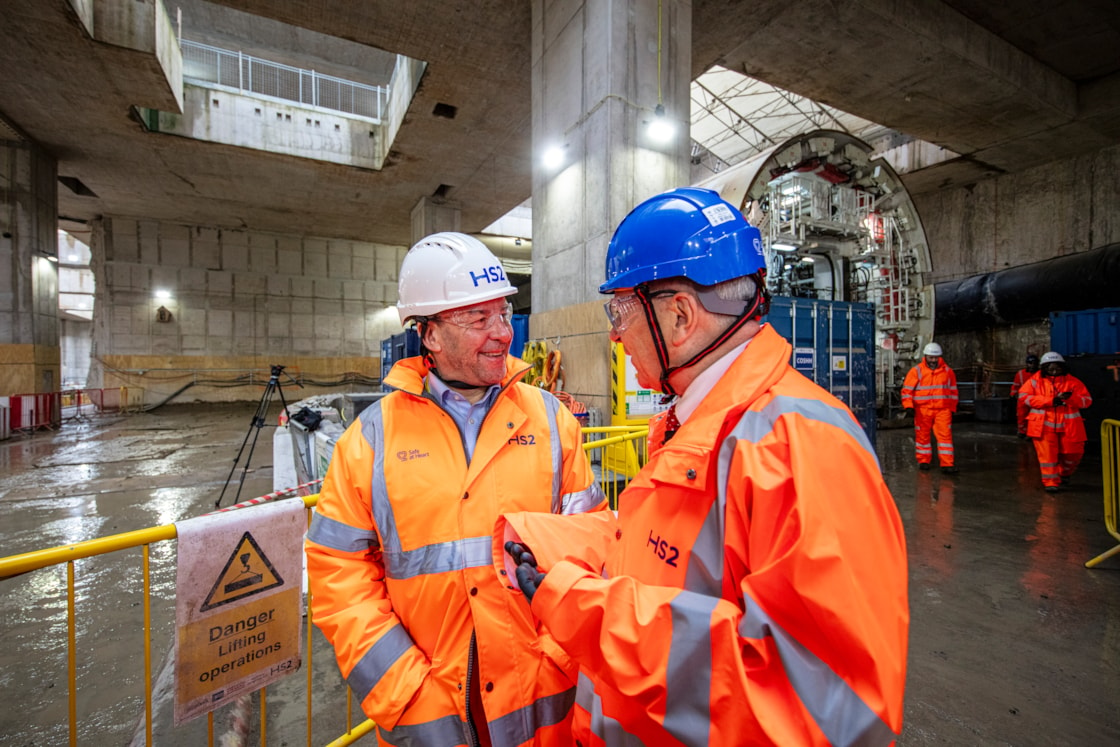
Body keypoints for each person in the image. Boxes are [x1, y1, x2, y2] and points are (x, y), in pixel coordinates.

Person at [500, 188, 909, 745]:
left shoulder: (798, 448)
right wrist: (552, 541)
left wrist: (583, 608)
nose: (615, 334)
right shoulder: (698, 425)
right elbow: (678, 564)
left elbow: (822, 710)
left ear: (681, 315)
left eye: (619, 311)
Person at [305, 232, 607, 746]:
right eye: (478, 319)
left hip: (547, 700)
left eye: (503, 314)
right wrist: (408, 693)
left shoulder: (553, 421)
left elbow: (595, 541)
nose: (502, 334)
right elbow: (339, 581)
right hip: (433, 708)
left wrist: (558, 655)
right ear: (430, 335)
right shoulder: (370, 441)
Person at [1020, 351, 1093, 492]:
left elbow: (1087, 401)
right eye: (1050, 368)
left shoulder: (1073, 382)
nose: (1054, 371)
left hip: (1069, 426)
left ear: (1063, 368)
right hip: (1043, 426)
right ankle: (1051, 482)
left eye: (1057, 368)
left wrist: (1069, 399)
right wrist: (1050, 401)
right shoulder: (1035, 381)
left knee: (1074, 453)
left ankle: (1064, 474)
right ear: (1044, 368)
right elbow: (1024, 397)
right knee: (1047, 457)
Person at [901, 342, 960, 473]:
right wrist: (908, 406)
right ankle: (923, 460)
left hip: (942, 410)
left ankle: (947, 464)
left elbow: (953, 391)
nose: (933, 360)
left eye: (936, 358)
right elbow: (907, 391)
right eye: (931, 358)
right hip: (923, 410)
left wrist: (953, 407)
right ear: (925, 357)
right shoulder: (916, 371)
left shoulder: (948, 372)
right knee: (922, 436)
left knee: (945, 437)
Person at [1010, 354, 1040, 438]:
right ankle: (1022, 431)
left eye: (1034, 363)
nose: (1032, 365)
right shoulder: (1020, 374)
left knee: (1034, 417)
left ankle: (1032, 432)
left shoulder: (1041, 374)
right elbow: (1015, 385)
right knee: (1021, 416)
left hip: (1036, 399)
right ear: (1027, 363)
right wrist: (1013, 394)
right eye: (1030, 363)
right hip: (1023, 399)